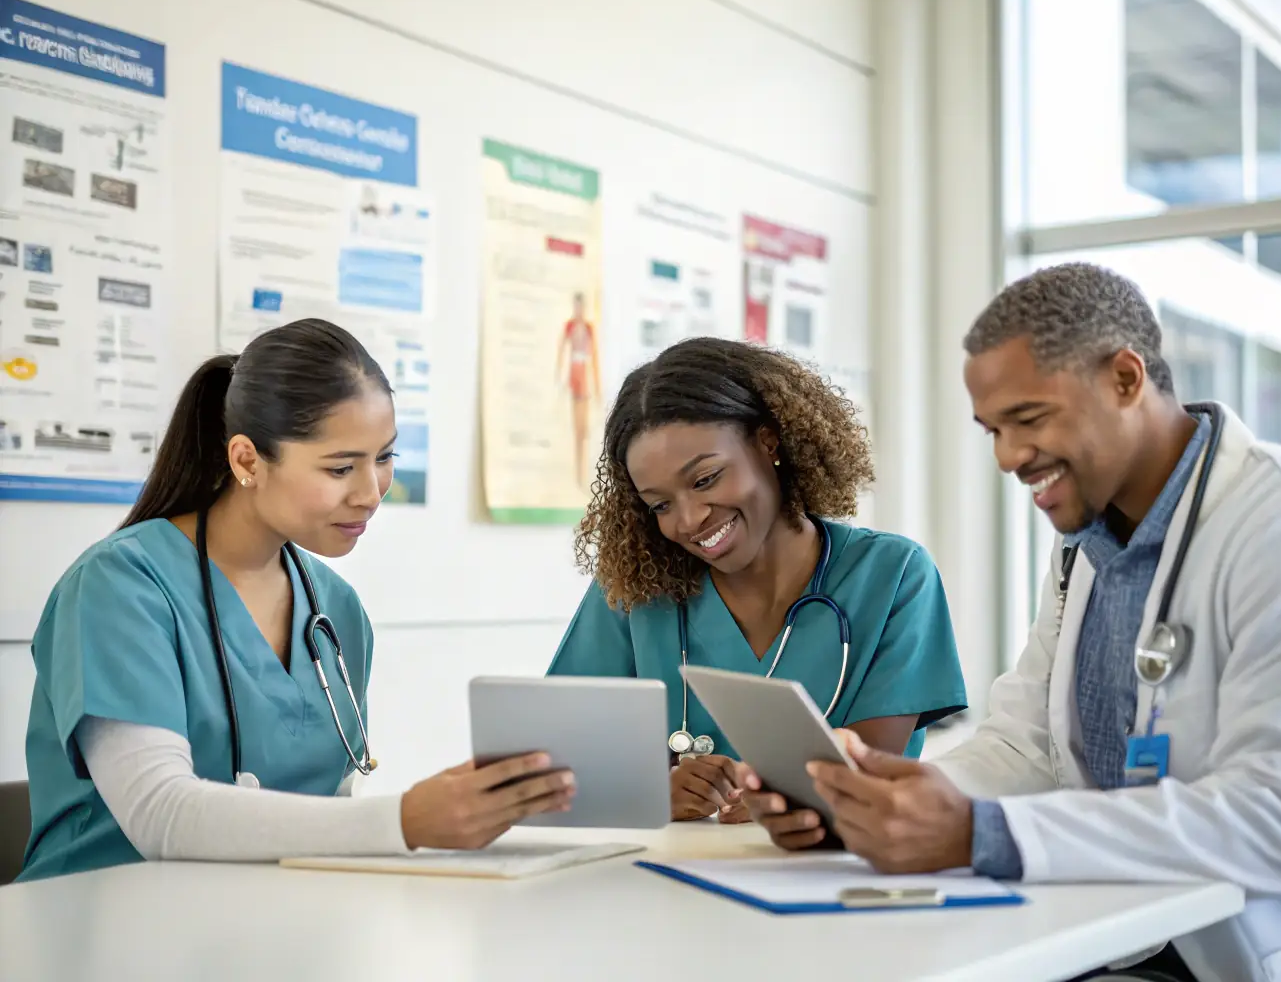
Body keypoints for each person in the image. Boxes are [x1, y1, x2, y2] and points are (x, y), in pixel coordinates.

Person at [744, 263, 1281, 981]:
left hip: (1259, 950)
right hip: (1116, 930)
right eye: (993, 431)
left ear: (1125, 379)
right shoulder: (1085, 543)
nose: (1008, 457)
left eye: (1029, 419)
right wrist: (888, 806)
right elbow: (1026, 748)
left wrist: (979, 833)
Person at [18, 318, 574, 883]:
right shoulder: (118, 587)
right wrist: (407, 821)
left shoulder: (336, 608)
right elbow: (161, 814)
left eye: (384, 458)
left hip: (267, 917)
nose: (370, 493)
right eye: (340, 468)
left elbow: (327, 815)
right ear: (247, 461)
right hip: (100, 916)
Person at [548, 337, 966, 839]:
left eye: (705, 479)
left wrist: (781, 793)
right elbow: (562, 763)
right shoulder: (639, 587)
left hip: (831, 871)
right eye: (660, 505)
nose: (689, 520)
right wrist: (650, 790)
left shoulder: (892, 576)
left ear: (769, 444)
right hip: (666, 873)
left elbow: (868, 774)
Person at [556, 291, 601, 489]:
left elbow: (595, 358)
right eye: (576, 306)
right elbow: (561, 352)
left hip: (585, 376)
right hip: (574, 376)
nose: (578, 310)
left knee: (584, 430)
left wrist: (597, 387)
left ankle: (582, 474)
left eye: (580, 306)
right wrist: (560, 379)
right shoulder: (569, 326)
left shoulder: (589, 328)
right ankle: (577, 475)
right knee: (577, 429)